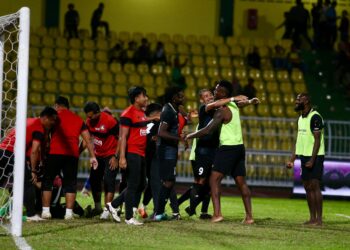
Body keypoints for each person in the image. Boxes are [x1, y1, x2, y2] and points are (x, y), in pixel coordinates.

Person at [186, 80, 259, 223]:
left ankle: (217, 214)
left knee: (213, 180)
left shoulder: (222, 110)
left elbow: (208, 130)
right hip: (239, 148)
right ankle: (249, 217)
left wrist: (190, 135)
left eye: (217, 90)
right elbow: (240, 103)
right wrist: (250, 101)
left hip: (227, 148)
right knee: (241, 182)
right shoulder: (233, 105)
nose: (214, 91)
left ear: (223, 93)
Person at [41, 96, 98, 220]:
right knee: (70, 184)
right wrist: (92, 156)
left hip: (54, 153)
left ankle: (46, 211)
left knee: (48, 181)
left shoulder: (54, 117)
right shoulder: (77, 119)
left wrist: (45, 150)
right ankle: (68, 213)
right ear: (68, 106)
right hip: (72, 155)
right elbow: (87, 139)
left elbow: (45, 134)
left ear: (56, 105)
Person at [0, 107, 58, 221]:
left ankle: (8, 211)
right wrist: (33, 171)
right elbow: (34, 151)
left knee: (11, 184)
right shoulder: (39, 128)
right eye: (52, 120)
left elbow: (10, 132)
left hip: (2, 150)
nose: (53, 123)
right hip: (12, 154)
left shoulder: (27, 120)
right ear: (45, 118)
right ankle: (31, 215)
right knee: (28, 184)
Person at [106, 87, 149, 225]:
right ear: (136, 98)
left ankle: (113, 204)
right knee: (133, 184)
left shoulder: (141, 113)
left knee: (142, 183)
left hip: (141, 153)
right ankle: (129, 217)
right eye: (144, 96)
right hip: (132, 153)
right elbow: (122, 137)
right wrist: (122, 157)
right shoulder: (127, 113)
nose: (146, 98)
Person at [286, 93, 325, 226]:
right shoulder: (301, 118)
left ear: (306, 101)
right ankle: (312, 218)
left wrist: (312, 160)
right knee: (307, 187)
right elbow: (299, 140)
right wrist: (292, 159)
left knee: (314, 186)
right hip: (304, 156)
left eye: (299, 99)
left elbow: (317, 141)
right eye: (296, 99)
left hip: (315, 156)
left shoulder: (315, 117)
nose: (296, 101)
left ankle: (319, 219)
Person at [154, 87, 187, 221]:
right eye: (180, 96)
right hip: (166, 151)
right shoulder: (168, 111)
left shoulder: (173, 110)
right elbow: (161, 132)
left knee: (169, 181)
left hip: (170, 150)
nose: (183, 98)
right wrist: (179, 139)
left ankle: (165, 212)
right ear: (173, 98)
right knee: (168, 182)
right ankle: (159, 213)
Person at [82, 102, 119, 220]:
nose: (89, 118)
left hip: (110, 155)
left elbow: (121, 139)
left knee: (109, 180)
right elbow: (87, 140)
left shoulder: (110, 121)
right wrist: (83, 154)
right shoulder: (88, 122)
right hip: (98, 155)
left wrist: (116, 157)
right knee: (94, 180)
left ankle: (107, 209)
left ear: (98, 113)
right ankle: (98, 207)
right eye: (87, 116)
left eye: (91, 116)